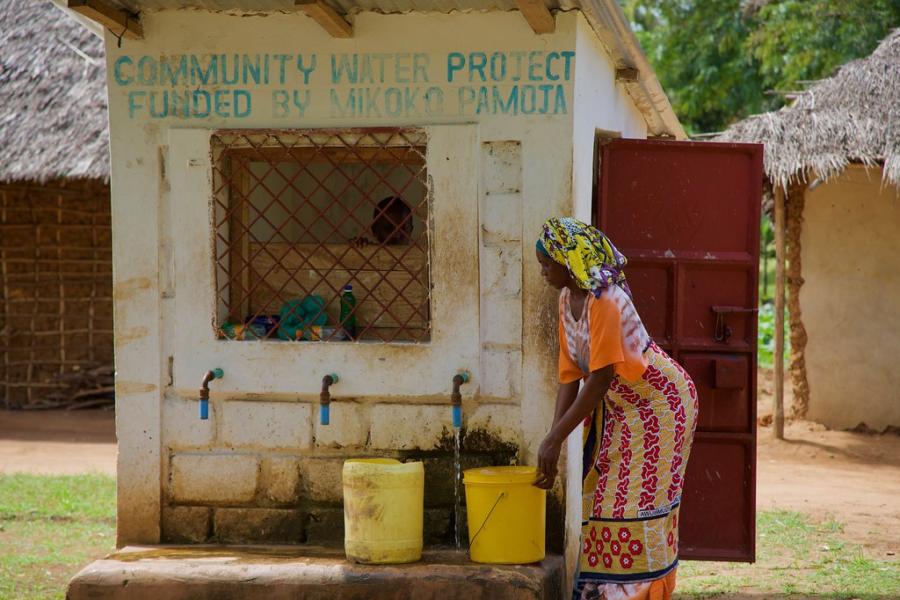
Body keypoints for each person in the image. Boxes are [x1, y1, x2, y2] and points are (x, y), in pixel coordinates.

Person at [533, 217, 698, 600]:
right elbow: (570, 375)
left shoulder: (604, 301)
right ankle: (600, 592)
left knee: (636, 506)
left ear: (567, 260)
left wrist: (555, 439)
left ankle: (635, 593)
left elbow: (601, 378)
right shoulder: (565, 300)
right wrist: (552, 440)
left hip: (660, 407)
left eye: (547, 262)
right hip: (621, 409)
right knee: (602, 498)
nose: (542, 270)